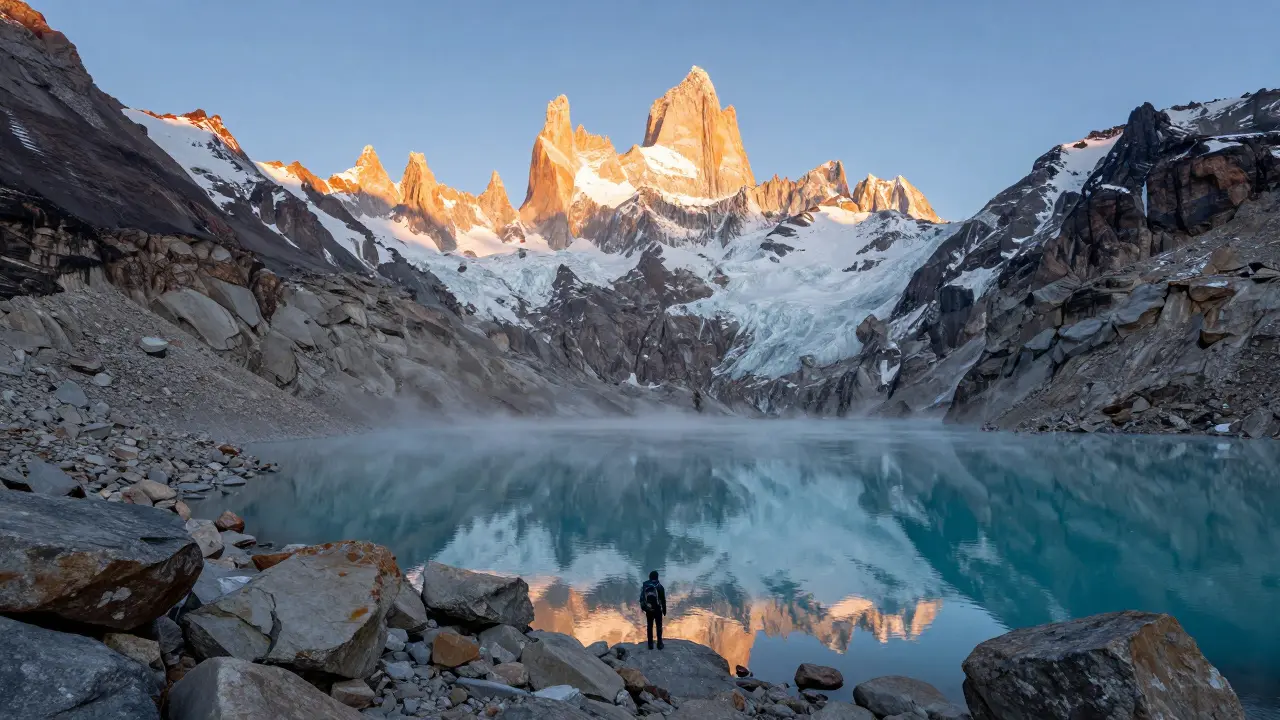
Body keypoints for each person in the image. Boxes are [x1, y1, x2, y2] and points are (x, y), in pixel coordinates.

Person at [639, 570, 667, 649]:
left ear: (649, 577)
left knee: (649, 626)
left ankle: (650, 644)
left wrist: (644, 607)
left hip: (649, 609)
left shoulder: (645, 585)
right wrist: (664, 610)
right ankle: (659, 644)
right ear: (657, 577)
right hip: (658, 609)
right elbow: (663, 600)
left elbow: (642, 598)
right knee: (659, 626)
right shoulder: (660, 586)